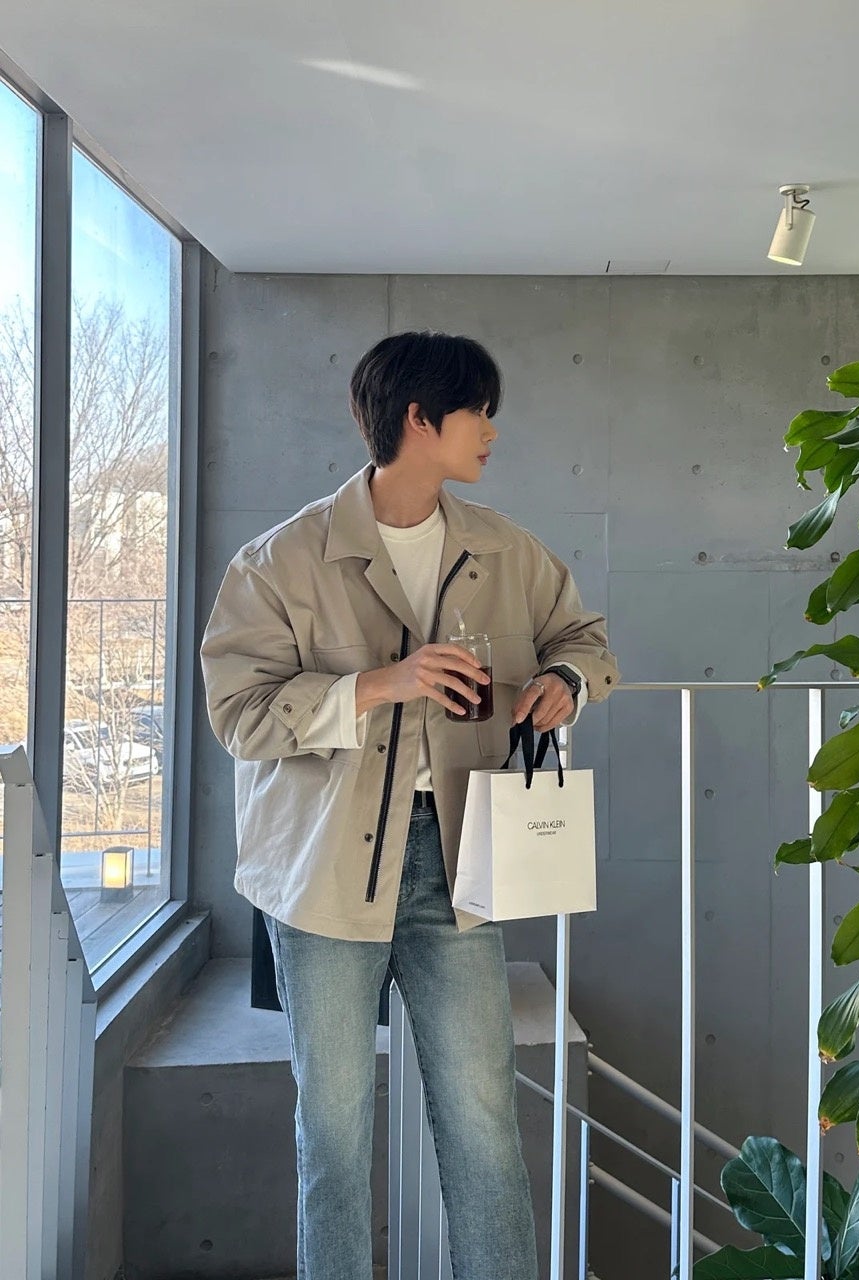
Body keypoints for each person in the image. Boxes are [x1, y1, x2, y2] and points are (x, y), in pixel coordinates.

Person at [201, 331, 620, 1280]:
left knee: (484, 1122)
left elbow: (586, 641)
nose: (492, 432)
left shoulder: (504, 549)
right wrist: (378, 685)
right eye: (478, 412)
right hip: (322, 875)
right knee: (334, 1132)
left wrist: (565, 681)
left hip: (457, 867)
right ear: (419, 419)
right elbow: (238, 715)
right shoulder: (283, 561)